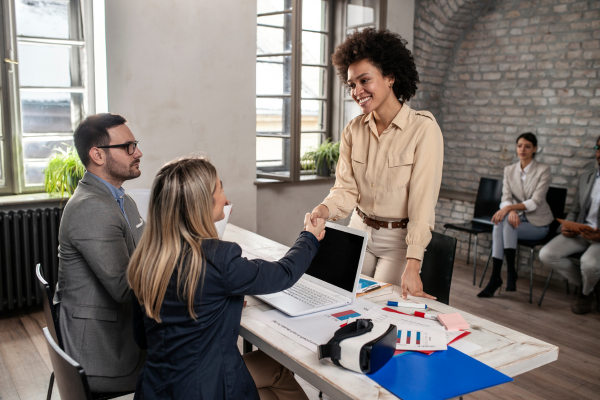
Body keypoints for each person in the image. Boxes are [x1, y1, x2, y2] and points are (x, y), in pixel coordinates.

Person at [127, 156, 326, 400]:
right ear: (202, 204)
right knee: (278, 376)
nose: (226, 198)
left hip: (157, 389)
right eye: (220, 188)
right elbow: (283, 274)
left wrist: (217, 307)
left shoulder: (145, 259)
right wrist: (309, 237)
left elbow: (142, 338)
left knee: (275, 374)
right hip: (208, 390)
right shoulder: (218, 258)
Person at [310, 28, 443, 298]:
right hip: (358, 231)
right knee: (341, 301)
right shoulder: (353, 130)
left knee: (377, 307)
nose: (357, 91)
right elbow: (345, 189)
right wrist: (323, 210)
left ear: (390, 77)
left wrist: (413, 263)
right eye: (351, 84)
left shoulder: (423, 130)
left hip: (397, 241)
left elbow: (422, 204)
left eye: (364, 80)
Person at [55, 113, 146, 392]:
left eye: (136, 144)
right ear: (97, 155)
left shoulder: (121, 199)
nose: (138, 152)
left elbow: (145, 256)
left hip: (119, 330)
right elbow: (125, 288)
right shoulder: (91, 208)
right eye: (128, 146)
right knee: (197, 363)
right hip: (106, 354)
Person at [478, 133, 553, 297]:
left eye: (527, 146)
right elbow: (506, 198)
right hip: (515, 220)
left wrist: (507, 209)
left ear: (535, 148)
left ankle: (501, 275)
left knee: (504, 224)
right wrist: (510, 210)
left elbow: (535, 202)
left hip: (538, 223)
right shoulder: (509, 170)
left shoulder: (543, 170)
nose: (522, 149)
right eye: (519, 145)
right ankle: (505, 274)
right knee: (502, 224)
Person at [539, 136, 600, 314]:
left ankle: (585, 293)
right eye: (598, 147)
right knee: (546, 254)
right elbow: (575, 209)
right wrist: (566, 227)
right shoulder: (586, 177)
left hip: (599, 239)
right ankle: (589, 285)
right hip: (581, 231)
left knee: (589, 264)